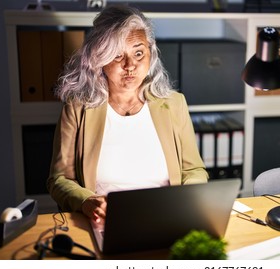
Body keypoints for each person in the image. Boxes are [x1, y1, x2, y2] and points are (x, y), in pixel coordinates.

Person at [47, 5, 208, 223]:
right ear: (99, 60)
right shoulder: (77, 108)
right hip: (106, 220)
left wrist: (186, 198)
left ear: (151, 54)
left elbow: (194, 170)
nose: (130, 65)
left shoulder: (174, 104)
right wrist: (86, 201)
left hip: (166, 217)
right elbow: (59, 179)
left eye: (138, 53)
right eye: (117, 56)